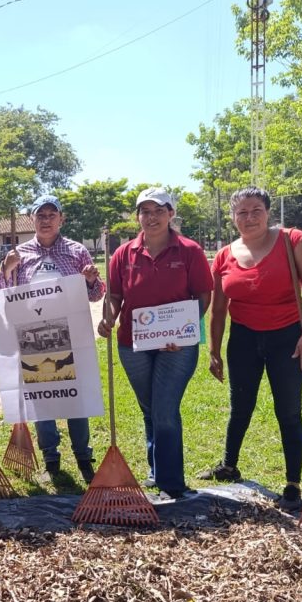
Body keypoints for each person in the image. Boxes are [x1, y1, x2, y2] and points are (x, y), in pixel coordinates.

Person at [204, 186, 302, 511]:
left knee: (288, 411)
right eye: (241, 212)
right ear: (232, 217)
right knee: (240, 405)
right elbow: (218, 310)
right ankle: (229, 465)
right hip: (243, 339)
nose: (249, 217)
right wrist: (214, 350)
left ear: (268, 212)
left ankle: (292, 484)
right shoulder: (224, 255)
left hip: (289, 338)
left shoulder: (293, 241)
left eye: (256, 210)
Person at [97, 188, 213, 499]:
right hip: (132, 344)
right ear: (138, 216)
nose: (151, 217)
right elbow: (116, 297)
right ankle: (155, 471)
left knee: (165, 409)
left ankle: (172, 481)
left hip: (176, 347)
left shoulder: (190, 251)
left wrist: (185, 331)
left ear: (171, 214)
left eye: (158, 210)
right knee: (149, 408)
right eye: (145, 211)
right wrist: (108, 316)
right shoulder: (124, 254)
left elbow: (203, 295)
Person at [0, 194, 104, 482]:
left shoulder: (77, 251)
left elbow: (95, 295)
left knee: (75, 397)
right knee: (43, 398)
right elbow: (3, 295)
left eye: (51, 215)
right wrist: (7, 270)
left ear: (61, 218)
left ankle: (83, 453)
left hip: (72, 334)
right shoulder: (18, 254)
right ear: (32, 219)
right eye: (40, 215)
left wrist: (92, 280)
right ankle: (50, 457)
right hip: (33, 337)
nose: (46, 220)